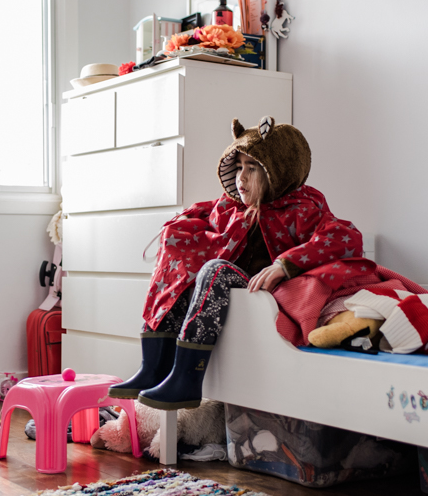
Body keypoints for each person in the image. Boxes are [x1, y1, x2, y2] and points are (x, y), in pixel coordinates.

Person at [107, 116, 363, 410]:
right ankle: (153, 365)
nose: (241, 177)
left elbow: (346, 237)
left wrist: (284, 264)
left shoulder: (302, 207)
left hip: (259, 290)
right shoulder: (230, 207)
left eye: (252, 168)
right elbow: (203, 228)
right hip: (229, 290)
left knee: (214, 270)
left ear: (277, 171)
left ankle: (186, 377)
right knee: (180, 264)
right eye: (239, 167)